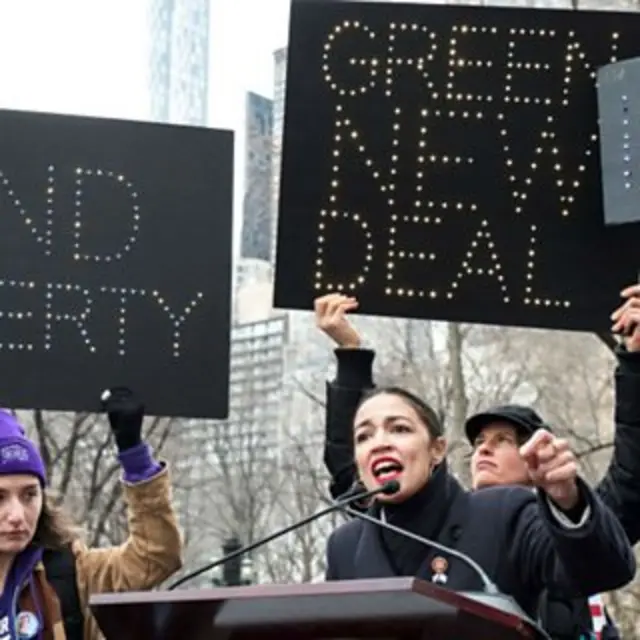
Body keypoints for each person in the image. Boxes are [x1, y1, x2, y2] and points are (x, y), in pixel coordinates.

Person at [315, 287, 640, 639]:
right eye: (479, 442)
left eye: (504, 441)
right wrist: (351, 357)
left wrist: (566, 497)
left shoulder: (516, 517)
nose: (484, 451)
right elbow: (355, 470)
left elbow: (626, 493)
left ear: (437, 450)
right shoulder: (350, 544)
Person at [325, 384, 635, 620]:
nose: (380, 442)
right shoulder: (344, 546)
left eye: (400, 429)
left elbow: (604, 571)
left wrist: (567, 499)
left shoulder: (503, 514)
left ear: (437, 449)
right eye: (364, 436)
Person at [0, 387, 183, 640]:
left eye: (29, 495)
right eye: (0, 498)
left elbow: (156, 555)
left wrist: (135, 459)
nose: (17, 515)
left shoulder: (70, 572)